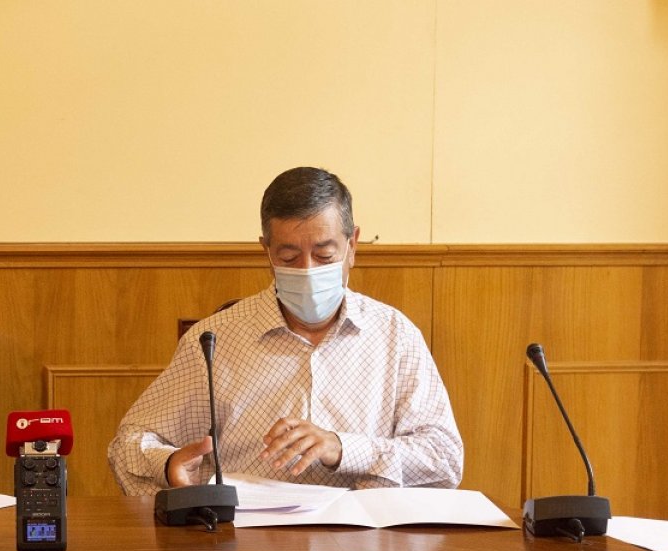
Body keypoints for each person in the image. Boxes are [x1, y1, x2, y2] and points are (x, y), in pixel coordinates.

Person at [107, 167, 462, 496]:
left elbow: (444, 458)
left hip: (364, 548)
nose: (307, 271)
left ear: (352, 245)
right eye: (289, 258)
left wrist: (342, 449)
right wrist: (169, 465)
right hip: (246, 548)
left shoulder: (394, 336)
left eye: (324, 255)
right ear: (267, 251)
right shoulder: (216, 340)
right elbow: (128, 445)